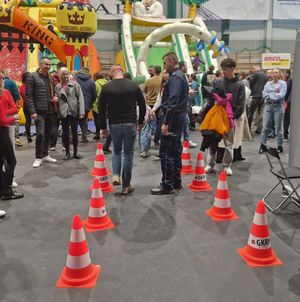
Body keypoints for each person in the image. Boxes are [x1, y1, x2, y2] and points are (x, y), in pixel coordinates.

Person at [99, 65, 146, 195]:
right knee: (128, 154)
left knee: (117, 151)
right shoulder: (133, 85)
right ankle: (126, 185)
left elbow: (101, 108)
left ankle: (115, 175)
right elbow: (142, 105)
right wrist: (141, 121)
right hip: (130, 123)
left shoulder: (106, 87)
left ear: (112, 73)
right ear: (121, 72)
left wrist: (103, 127)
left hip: (114, 124)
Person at [151, 52, 189, 195]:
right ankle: (176, 181)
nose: (164, 66)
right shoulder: (180, 76)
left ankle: (167, 184)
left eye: (165, 63)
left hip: (172, 119)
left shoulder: (175, 78)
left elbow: (173, 101)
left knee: (166, 152)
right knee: (175, 150)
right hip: (177, 117)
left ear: (172, 61)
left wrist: (166, 122)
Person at [206, 58, 246, 176]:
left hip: (229, 118)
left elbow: (241, 103)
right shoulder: (218, 82)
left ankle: (227, 165)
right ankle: (210, 164)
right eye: (222, 69)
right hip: (216, 117)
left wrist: (232, 117)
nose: (223, 71)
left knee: (229, 144)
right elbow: (211, 99)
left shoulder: (239, 84)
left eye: (225, 69)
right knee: (212, 142)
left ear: (233, 68)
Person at [26, 57, 58, 168]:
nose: (48, 67)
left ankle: (45, 154)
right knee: (40, 134)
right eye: (46, 64)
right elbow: (28, 96)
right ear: (40, 64)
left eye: (49, 65)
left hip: (50, 111)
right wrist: (32, 112)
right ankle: (38, 157)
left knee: (48, 134)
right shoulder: (32, 77)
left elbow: (54, 92)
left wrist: (56, 98)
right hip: (38, 112)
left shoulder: (50, 78)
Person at [0, 71, 24, 201]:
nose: (3, 80)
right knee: (11, 161)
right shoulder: (3, 93)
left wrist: (6, 112)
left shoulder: (5, 92)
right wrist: (11, 116)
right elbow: (4, 119)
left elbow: (15, 108)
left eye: (3, 78)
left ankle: (3, 189)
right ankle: (7, 190)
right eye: (1, 78)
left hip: (4, 128)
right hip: (2, 130)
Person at [55, 67, 85, 160]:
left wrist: (81, 112)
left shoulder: (76, 85)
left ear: (69, 75)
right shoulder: (58, 87)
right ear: (60, 76)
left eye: (67, 74)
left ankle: (76, 152)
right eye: (63, 74)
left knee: (75, 133)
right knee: (65, 133)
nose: (65, 76)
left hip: (73, 111)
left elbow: (80, 98)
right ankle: (67, 152)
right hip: (63, 112)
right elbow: (57, 98)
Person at [259, 69, 287, 153]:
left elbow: (281, 95)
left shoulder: (283, 83)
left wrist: (271, 94)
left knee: (278, 127)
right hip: (268, 106)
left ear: (279, 74)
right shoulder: (268, 84)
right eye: (273, 73)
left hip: (278, 107)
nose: (274, 74)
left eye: (276, 72)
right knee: (265, 127)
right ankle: (262, 146)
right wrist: (275, 93)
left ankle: (279, 146)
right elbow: (264, 94)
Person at [140, 65, 162, 157]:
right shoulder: (162, 80)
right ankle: (157, 139)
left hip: (149, 104)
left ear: (153, 71)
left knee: (147, 124)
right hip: (159, 104)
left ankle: (144, 148)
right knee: (159, 122)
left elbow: (144, 91)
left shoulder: (148, 81)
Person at [75, 67, 97, 143]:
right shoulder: (91, 81)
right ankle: (84, 137)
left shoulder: (75, 79)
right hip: (86, 104)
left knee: (73, 121)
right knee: (84, 121)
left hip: (75, 103)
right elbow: (94, 95)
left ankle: (72, 138)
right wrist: (90, 103)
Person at [2, 70, 23, 147]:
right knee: (12, 127)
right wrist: (17, 107)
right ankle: (17, 138)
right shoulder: (11, 83)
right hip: (10, 110)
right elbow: (16, 96)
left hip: (4, 113)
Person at [247, 65, 268, 134]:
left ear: (258, 68)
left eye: (254, 68)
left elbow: (251, 83)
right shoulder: (265, 75)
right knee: (260, 112)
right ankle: (259, 128)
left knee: (250, 112)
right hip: (262, 96)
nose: (253, 70)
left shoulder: (257, 74)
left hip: (255, 96)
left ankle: (248, 128)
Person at [93, 72, 108, 140]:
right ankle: (105, 132)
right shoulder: (108, 83)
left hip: (97, 103)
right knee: (104, 118)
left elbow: (94, 94)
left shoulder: (95, 83)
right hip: (106, 103)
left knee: (97, 119)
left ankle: (98, 133)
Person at [19, 72, 33, 143]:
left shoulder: (22, 86)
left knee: (28, 121)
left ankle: (28, 136)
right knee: (37, 120)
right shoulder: (30, 86)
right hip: (32, 104)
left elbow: (23, 95)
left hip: (26, 105)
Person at [284, 77, 292, 141]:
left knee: (287, 118)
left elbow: (287, 90)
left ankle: (285, 135)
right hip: (291, 100)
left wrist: (285, 100)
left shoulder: (291, 78)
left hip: (291, 100)